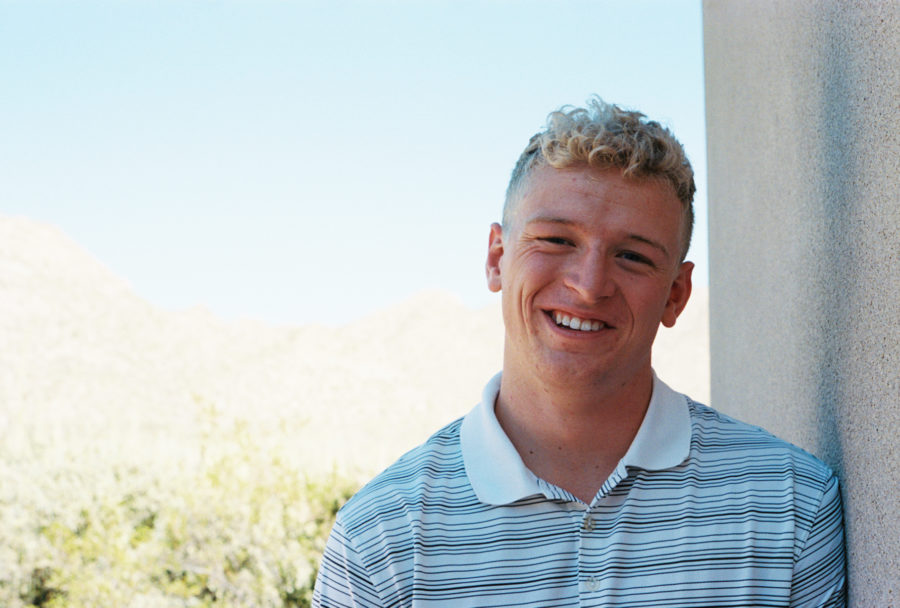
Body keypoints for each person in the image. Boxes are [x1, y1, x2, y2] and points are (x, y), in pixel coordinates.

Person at [313, 98, 846, 607]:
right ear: (498, 257)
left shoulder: (790, 504)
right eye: (556, 240)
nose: (590, 285)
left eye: (632, 256)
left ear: (676, 295)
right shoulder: (380, 538)